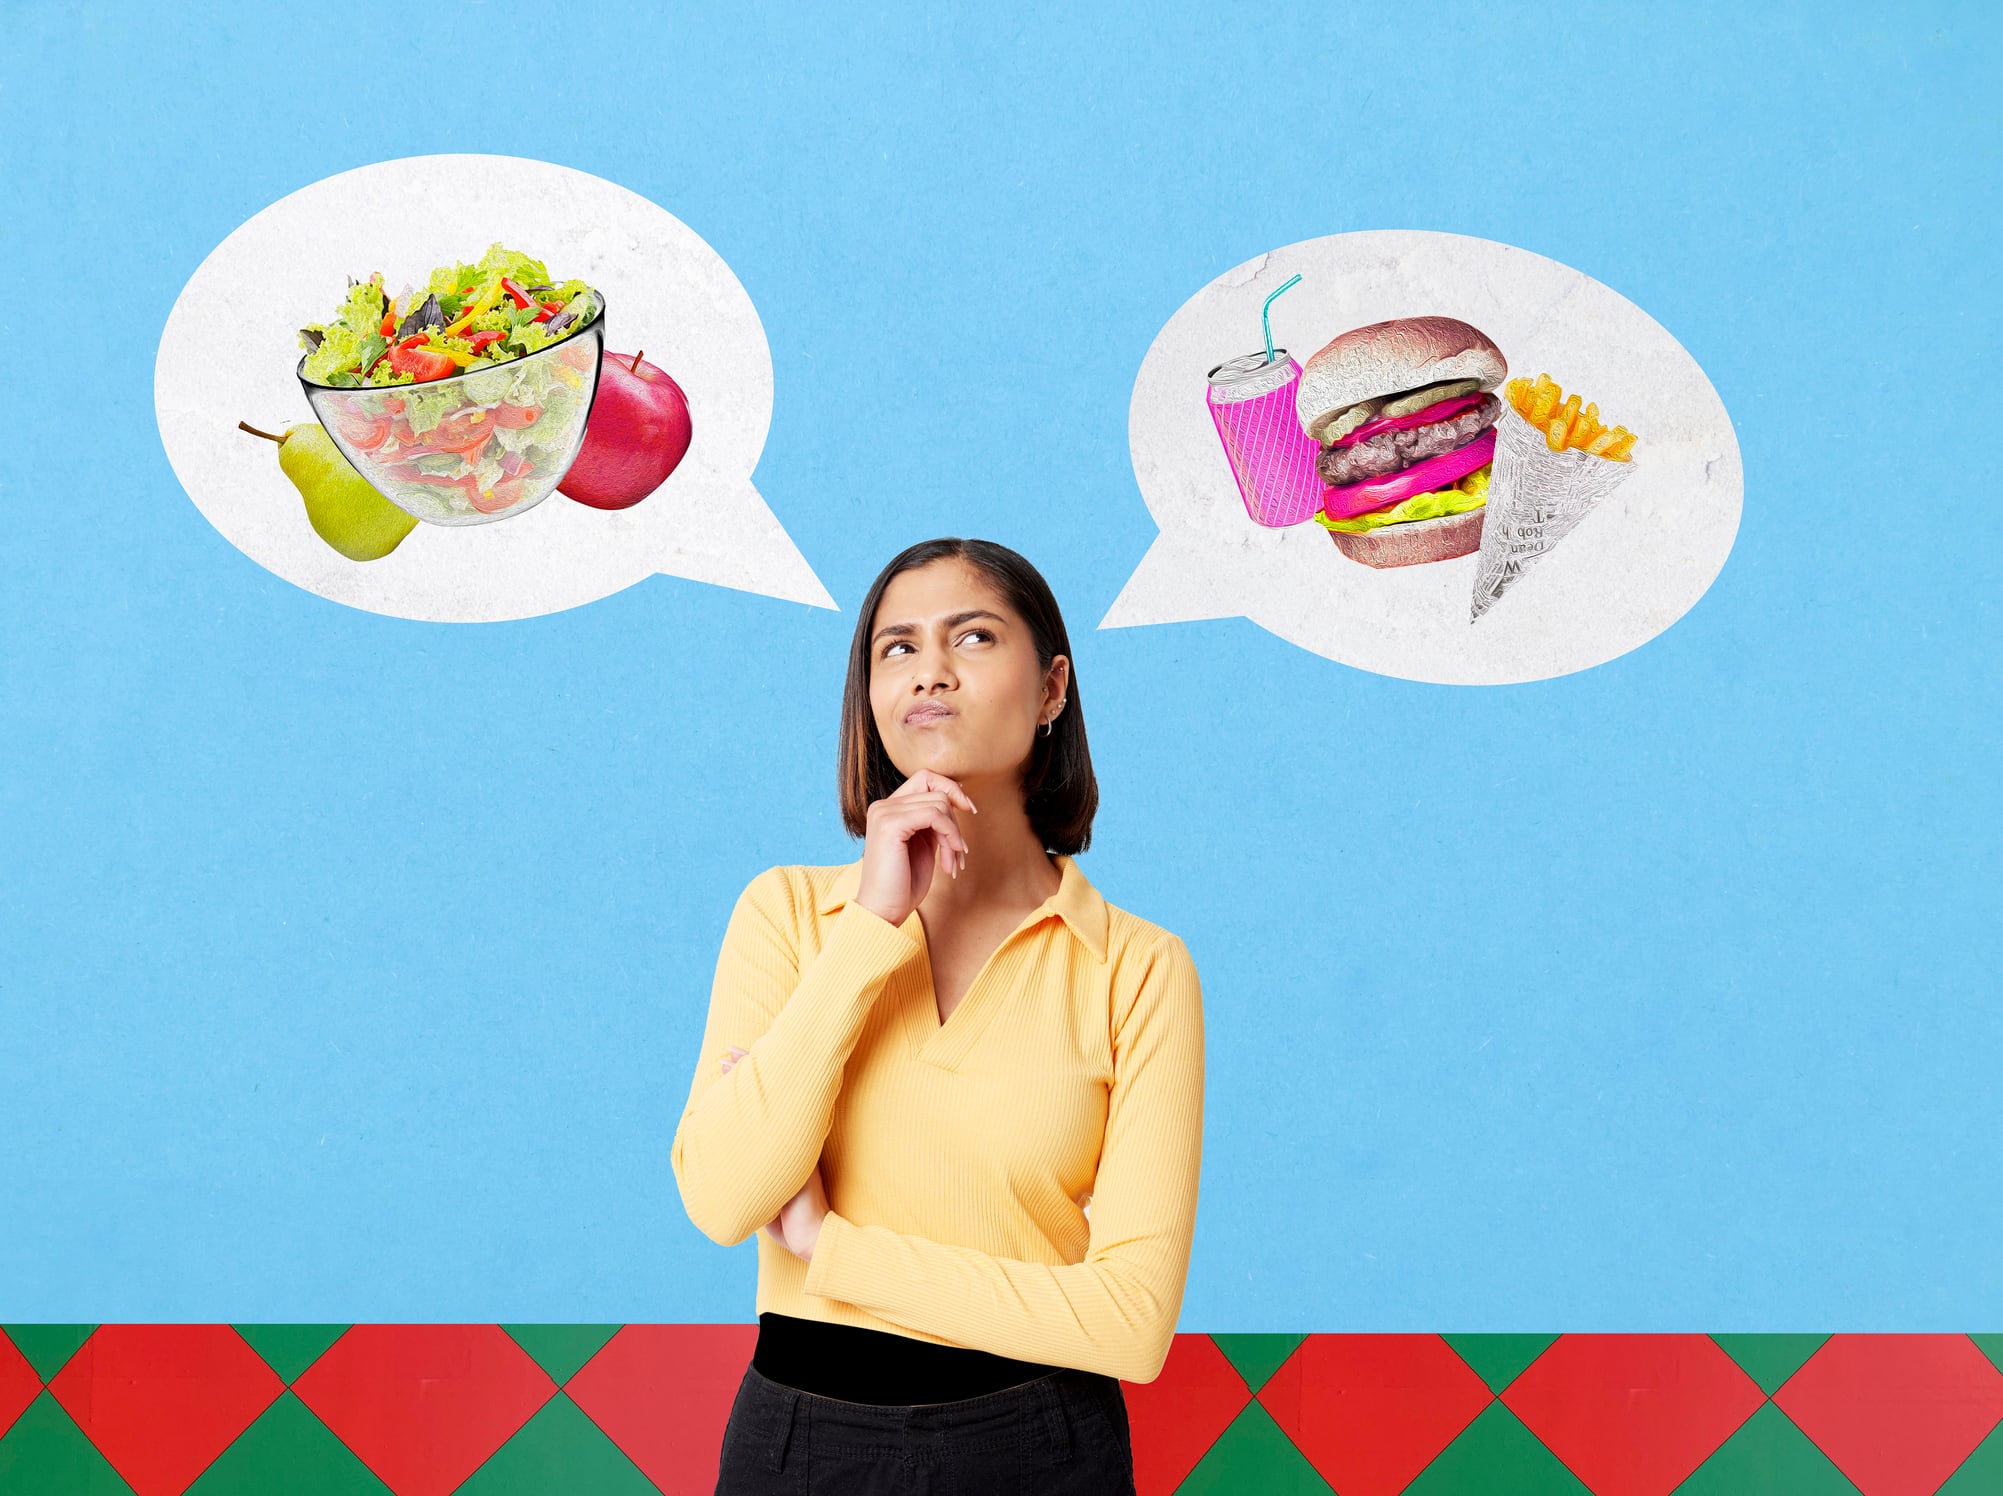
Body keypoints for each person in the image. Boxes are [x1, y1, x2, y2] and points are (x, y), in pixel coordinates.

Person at [673, 537, 1205, 1494]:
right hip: (801, 1446)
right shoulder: (791, 916)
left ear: (1051, 691)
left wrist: (833, 1253)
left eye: (971, 637)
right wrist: (869, 928)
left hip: (1039, 1447)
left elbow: (1130, 1324)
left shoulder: (1138, 967)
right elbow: (722, 1198)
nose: (930, 673)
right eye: (896, 648)